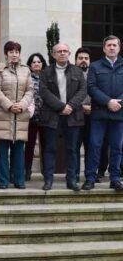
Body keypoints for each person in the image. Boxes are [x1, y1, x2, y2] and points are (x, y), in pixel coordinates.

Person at [39, 43, 86, 191]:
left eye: (65, 51)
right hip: (53, 116)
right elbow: (44, 92)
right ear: (53, 54)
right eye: (59, 51)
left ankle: (71, 180)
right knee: (50, 148)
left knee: (72, 149)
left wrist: (70, 106)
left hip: (73, 116)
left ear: (69, 53)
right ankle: (48, 180)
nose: (62, 53)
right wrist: (61, 106)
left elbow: (83, 91)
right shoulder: (46, 72)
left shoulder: (77, 71)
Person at [83, 35, 123, 191]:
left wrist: (118, 102)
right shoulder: (95, 66)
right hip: (99, 114)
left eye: (114, 45)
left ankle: (115, 179)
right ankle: (90, 178)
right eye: (109, 45)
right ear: (104, 48)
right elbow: (91, 88)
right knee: (94, 145)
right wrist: (108, 102)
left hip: (119, 114)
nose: (112, 48)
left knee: (117, 147)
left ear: (119, 48)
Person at [0, 41, 33, 189]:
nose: (14, 55)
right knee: (3, 151)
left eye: (17, 52)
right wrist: (9, 105)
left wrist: (21, 105)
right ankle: (3, 181)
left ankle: (19, 180)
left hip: (20, 116)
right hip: (3, 114)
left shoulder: (26, 70)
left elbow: (30, 90)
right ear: (6, 54)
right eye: (11, 52)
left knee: (19, 150)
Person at [24, 53, 47, 181]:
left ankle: (46, 171)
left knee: (45, 145)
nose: (36, 64)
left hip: (45, 117)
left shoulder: (48, 78)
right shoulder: (27, 78)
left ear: (42, 63)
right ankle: (27, 170)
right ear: (30, 65)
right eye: (33, 62)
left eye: (39, 61)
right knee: (29, 145)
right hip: (31, 117)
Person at [74, 47, 93, 182]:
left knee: (91, 146)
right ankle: (74, 174)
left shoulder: (94, 74)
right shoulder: (70, 74)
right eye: (80, 58)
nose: (83, 61)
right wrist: (80, 107)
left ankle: (89, 174)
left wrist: (92, 107)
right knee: (74, 146)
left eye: (86, 59)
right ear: (75, 60)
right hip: (75, 116)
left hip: (93, 116)